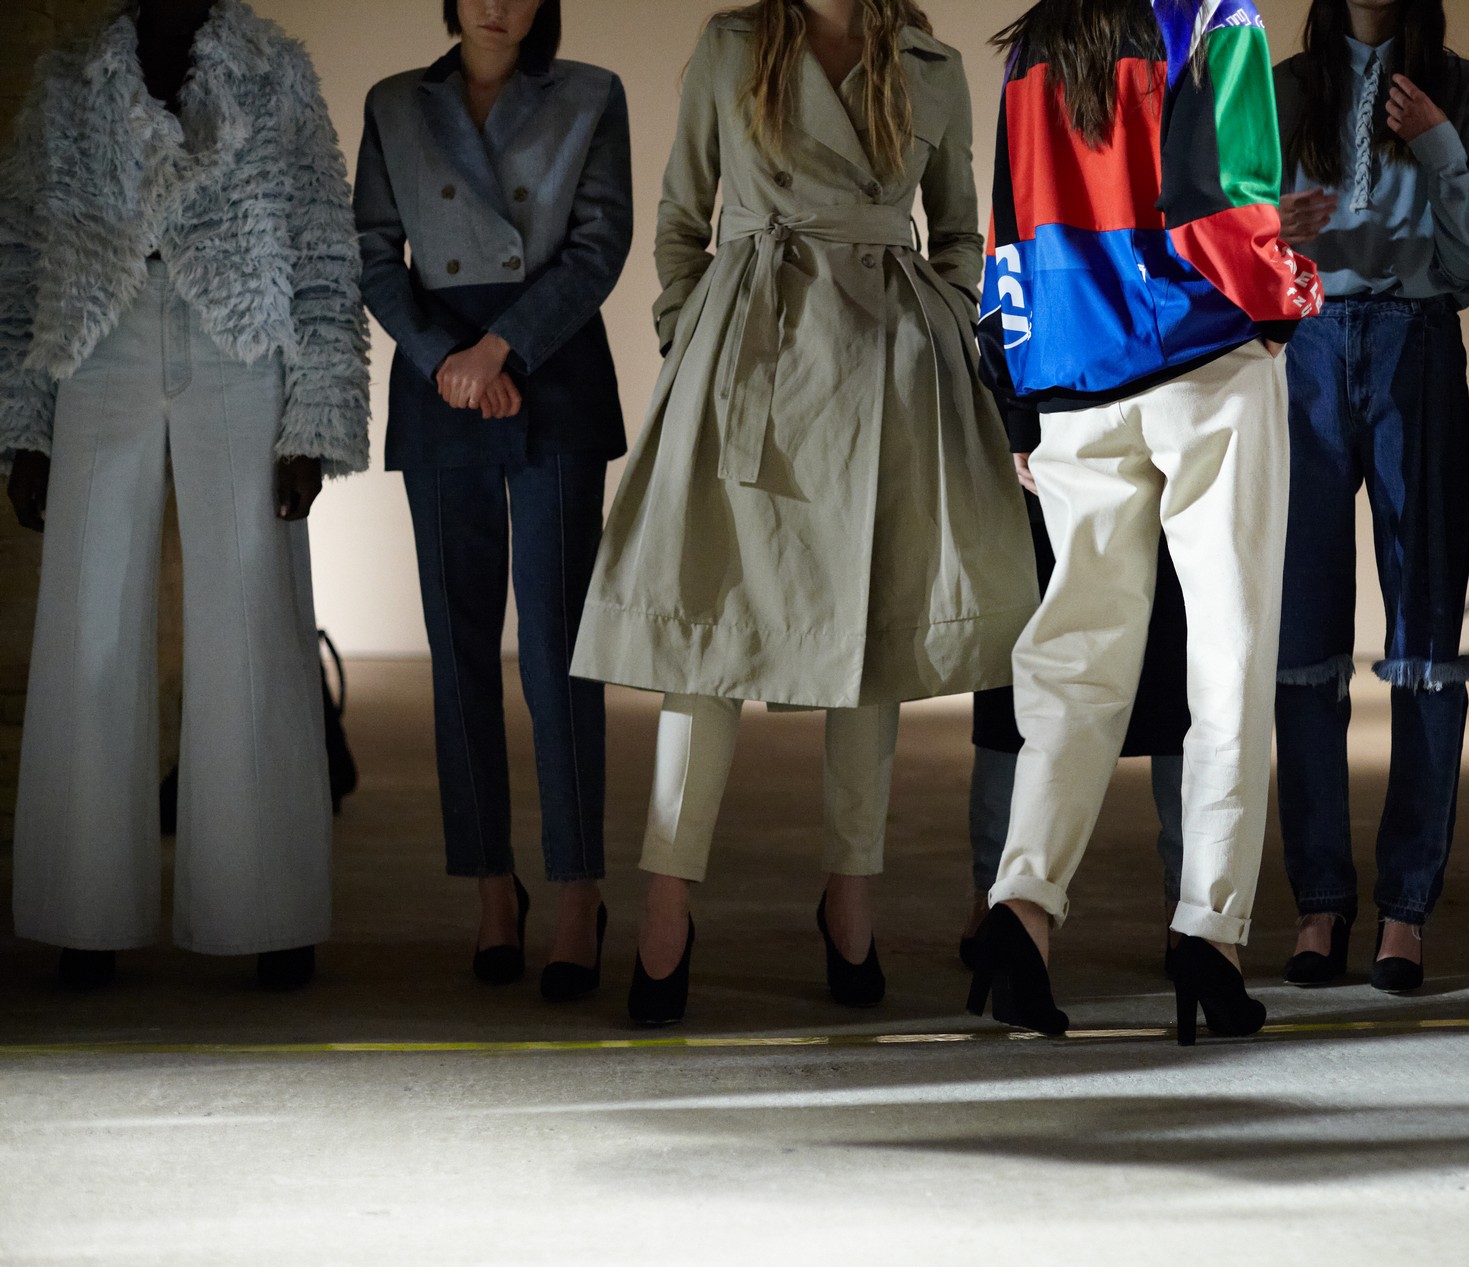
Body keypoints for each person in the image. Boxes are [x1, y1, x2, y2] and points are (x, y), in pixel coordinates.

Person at [571, 0, 1038, 1025]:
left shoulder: (929, 64)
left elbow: (961, 230)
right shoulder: (733, 46)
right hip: (748, 357)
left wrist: (937, 328)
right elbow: (682, 215)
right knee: (705, 630)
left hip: (883, 369)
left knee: (865, 637)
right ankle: (666, 899)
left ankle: (850, 893)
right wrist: (694, 334)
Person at [969, 0, 1321, 1045]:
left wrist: (1018, 399)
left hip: (1074, 375)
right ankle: (1208, 935)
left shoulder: (1038, 42)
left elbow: (1006, 231)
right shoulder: (1213, 15)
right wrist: (1282, 304)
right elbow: (1225, 206)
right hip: (1202, 364)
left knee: (1075, 662)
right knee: (1227, 654)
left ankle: (1021, 910)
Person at [0, 0, 370, 991]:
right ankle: (84, 913)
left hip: (242, 343)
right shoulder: (68, 80)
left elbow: (321, 241)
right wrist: (24, 423)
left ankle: (268, 909)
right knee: (86, 625)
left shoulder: (274, 71)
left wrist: (315, 422)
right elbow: (20, 250)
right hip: (96, 342)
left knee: (254, 625)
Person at [355, 0, 634, 1001]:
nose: (497, 3)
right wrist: (448, 359)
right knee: (459, 648)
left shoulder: (590, 95)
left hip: (551, 369)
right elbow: (373, 253)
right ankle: (491, 891)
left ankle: (577, 892)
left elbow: (598, 244)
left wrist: (501, 349)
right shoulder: (396, 104)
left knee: (561, 649)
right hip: (440, 385)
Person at [1268, 0, 1469, 994]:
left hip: (1418, 342)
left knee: (1426, 641)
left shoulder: (1464, 89)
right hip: (1306, 351)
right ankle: (1320, 899)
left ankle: (1405, 906)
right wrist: (1266, 232)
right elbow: (1221, 246)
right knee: (1301, 646)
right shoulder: (1287, 89)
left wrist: (1442, 144)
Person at [964, 503, 1189, 977]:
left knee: (1176, 698)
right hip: (1049, 490)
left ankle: (1186, 905)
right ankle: (998, 895)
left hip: (1111, 485)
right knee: (1014, 699)